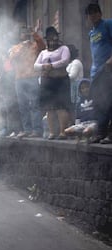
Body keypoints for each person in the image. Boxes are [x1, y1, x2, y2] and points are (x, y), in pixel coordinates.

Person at [9, 20, 45, 138]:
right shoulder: (15, 47)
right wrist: (22, 46)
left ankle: (37, 130)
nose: (24, 34)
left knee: (34, 104)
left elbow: (43, 46)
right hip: (19, 78)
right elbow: (12, 58)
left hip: (32, 77)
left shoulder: (34, 44)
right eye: (22, 32)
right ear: (19, 35)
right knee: (22, 105)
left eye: (26, 31)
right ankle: (27, 129)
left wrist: (34, 33)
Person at [34, 26, 71, 140]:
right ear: (47, 39)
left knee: (61, 107)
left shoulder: (64, 48)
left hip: (60, 81)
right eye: (50, 38)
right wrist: (44, 66)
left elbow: (65, 60)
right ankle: (52, 132)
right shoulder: (43, 52)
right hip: (47, 82)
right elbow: (36, 66)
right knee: (49, 108)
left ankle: (63, 132)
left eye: (54, 37)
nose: (53, 40)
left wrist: (52, 66)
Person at [85, 3, 112, 144]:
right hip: (97, 72)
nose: (93, 15)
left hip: (109, 69)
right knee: (100, 104)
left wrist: (110, 60)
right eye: (90, 13)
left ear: (100, 13)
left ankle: (110, 134)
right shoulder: (91, 32)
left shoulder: (108, 24)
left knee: (110, 102)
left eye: (95, 12)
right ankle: (101, 133)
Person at [66, 44, 84, 121]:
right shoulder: (69, 64)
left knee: (76, 107)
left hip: (76, 88)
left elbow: (72, 76)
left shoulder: (76, 62)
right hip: (71, 89)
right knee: (71, 107)